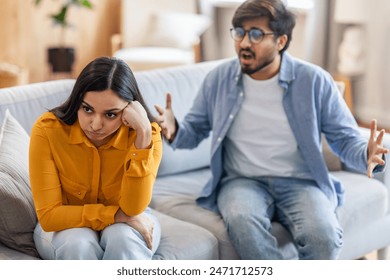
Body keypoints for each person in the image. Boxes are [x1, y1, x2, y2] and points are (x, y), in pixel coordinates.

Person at [154, 0, 388, 260]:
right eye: (239, 32)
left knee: (324, 238)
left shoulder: (314, 80)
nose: (244, 42)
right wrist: (174, 130)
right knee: (244, 226)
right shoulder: (219, 79)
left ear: (280, 41)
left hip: (301, 180)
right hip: (241, 181)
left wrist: (366, 153)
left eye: (256, 34)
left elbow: (344, 137)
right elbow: (195, 131)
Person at [29, 57, 162, 260]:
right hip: (65, 224)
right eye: (88, 109)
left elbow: (134, 209)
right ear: (77, 101)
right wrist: (115, 216)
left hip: (129, 218)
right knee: (78, 243)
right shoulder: (47, 130)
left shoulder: (146, 134)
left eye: (110, 114)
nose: (96, 125)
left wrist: (143, 134)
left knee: (123, 239)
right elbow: (49, 217)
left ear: (129, 110)